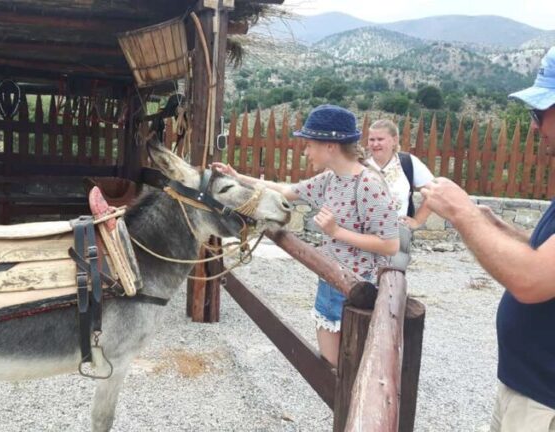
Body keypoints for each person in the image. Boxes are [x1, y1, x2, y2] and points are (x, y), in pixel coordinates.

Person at [421, 47, 555, 431]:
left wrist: (462, 213)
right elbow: (545, 258)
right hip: (531, 391)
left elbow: (532, 281)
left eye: (539, 112)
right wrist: (499, 229)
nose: (534, 126)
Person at [212, 105, 399, 367]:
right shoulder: (331, 178)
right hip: (332, 280)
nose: (306, 151)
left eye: (310, 144)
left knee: (347, 366)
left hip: (359, 290)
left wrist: (337, 232)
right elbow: (286, 191)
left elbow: (390, 244)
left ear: (330, 146)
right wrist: (238, 178)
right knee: (334, 365)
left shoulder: (368, 183)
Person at [366, 119, 435, 229]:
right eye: (371, 139)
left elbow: (434, 192)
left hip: (398, 235)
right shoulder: (360, 164)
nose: (375, 144)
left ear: (394, 140)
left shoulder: (408, 162)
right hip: (362, 236)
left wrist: (417, 221)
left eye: (380, 139)